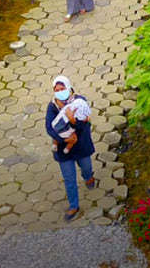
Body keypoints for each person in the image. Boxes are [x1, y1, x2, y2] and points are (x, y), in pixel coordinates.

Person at [45, 76, 97, 222]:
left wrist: (73, 120)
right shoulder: (53, 106)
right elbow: (49, 128)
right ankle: (74, 205)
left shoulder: (80, 102)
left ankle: (88, 177)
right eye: (57, 90)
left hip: (80, 145)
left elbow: (85, 124)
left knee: (86, 167)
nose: (60, 92)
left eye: (62, 89)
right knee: (69, 179)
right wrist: (64, 139)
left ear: (69, 87)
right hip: (63, 149)